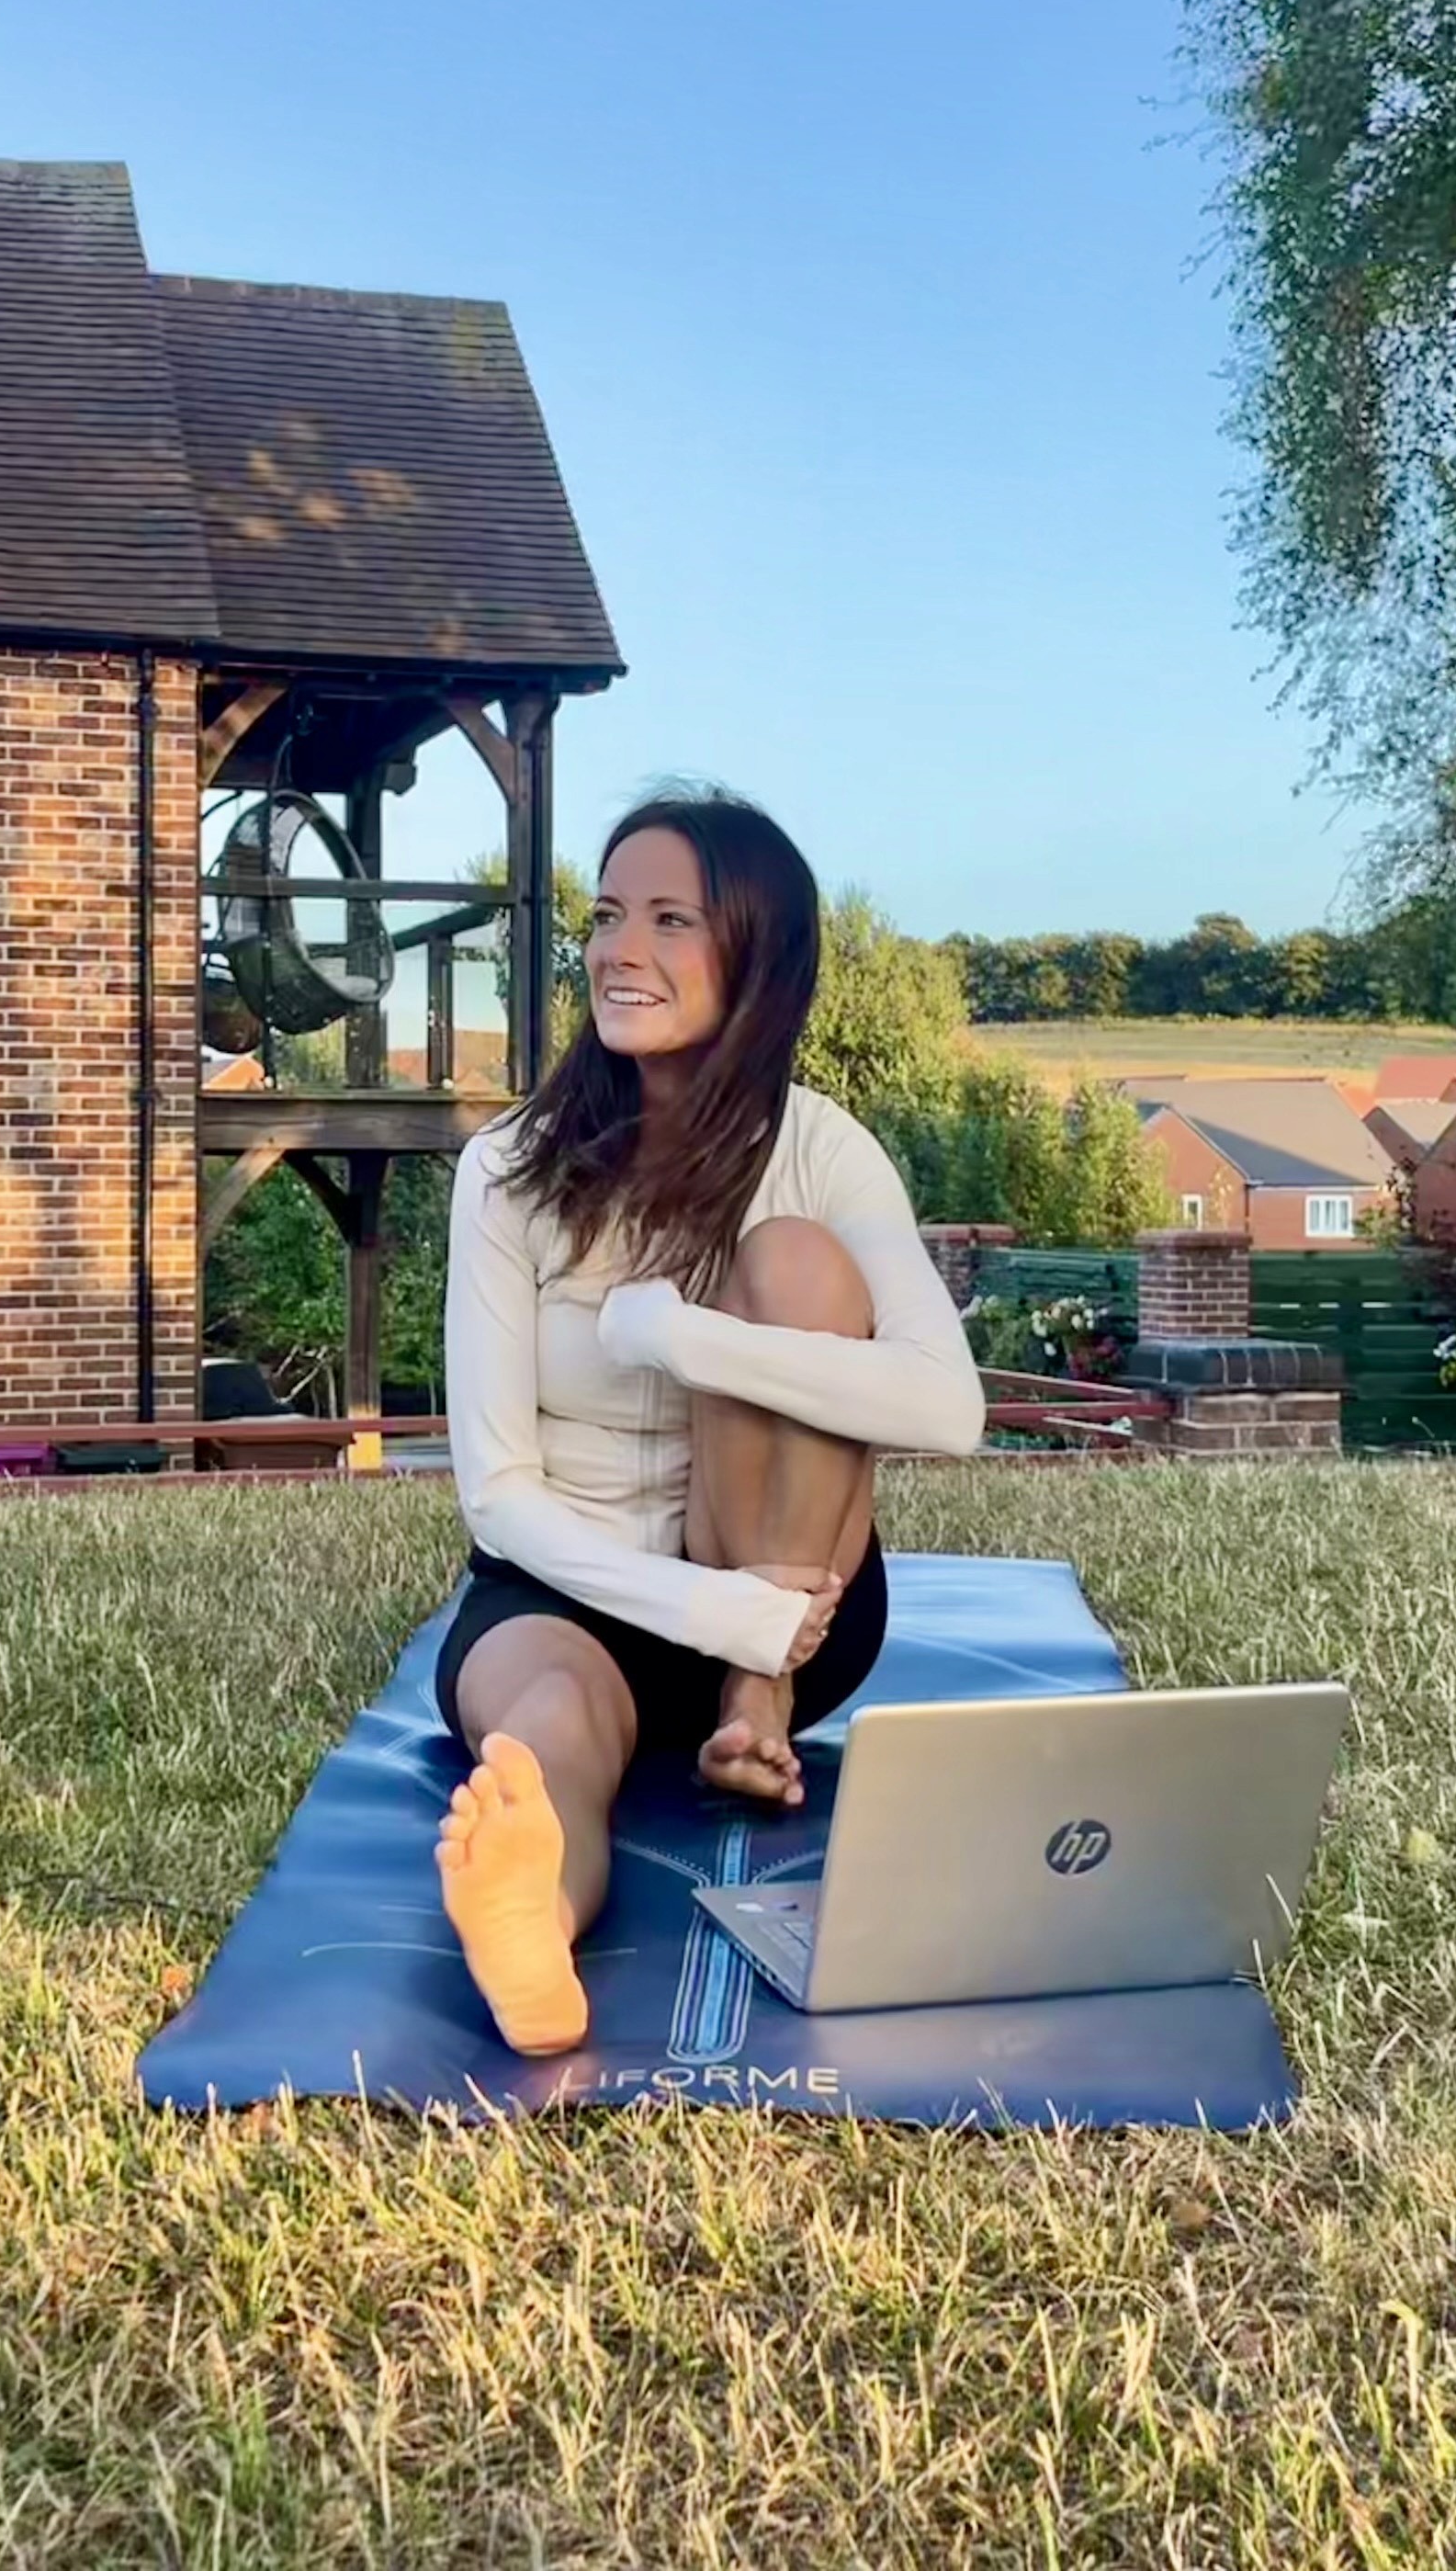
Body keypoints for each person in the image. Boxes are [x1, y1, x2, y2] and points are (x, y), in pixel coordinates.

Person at [429, 790, 988, 2055]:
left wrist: (682, 1338)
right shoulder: (508, 1170)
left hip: (788, 1614)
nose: (619, 950)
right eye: (606, 916)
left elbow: (947, 1405)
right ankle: (530, 1928)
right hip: (566, 1595)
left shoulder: (824, 1151)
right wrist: (703, 1611)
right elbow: (498, 1496)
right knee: (549, 1741)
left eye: (670, 920)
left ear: (756, 955)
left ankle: (754, 1708)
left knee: (798, 1263)